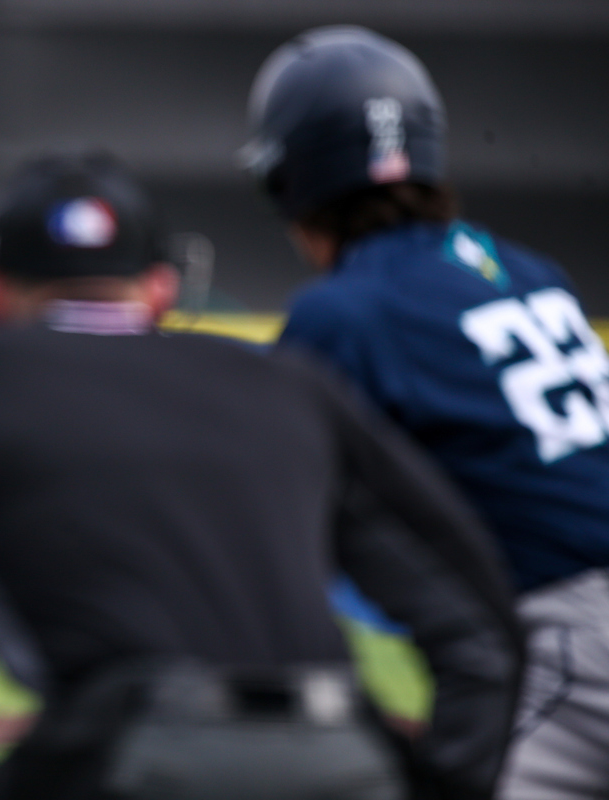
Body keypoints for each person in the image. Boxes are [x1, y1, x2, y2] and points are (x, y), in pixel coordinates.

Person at [0, 153, 523, 800]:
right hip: (343, 748)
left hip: (130, 752)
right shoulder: (288, 385)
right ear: (161, 287)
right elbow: (483, 631)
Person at [241, 26, 609, 799]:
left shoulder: (348, 312)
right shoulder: (524, 269)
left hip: (575, 634)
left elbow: (257, 496)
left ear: (292, 180)